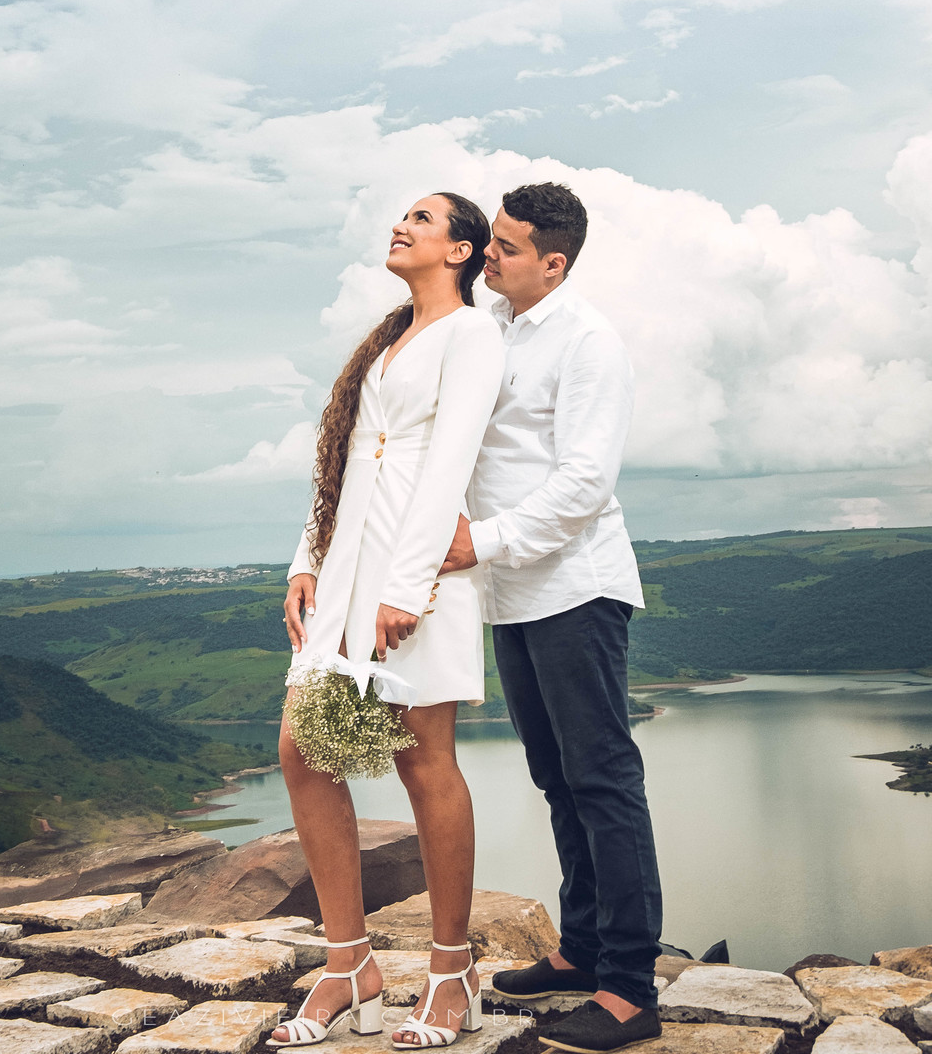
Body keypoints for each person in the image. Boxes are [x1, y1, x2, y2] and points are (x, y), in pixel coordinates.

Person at [273, 193, 506, 1052]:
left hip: (415, 573)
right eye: (400, 216)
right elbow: (343, 461)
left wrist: (407, 586)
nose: (400, 225)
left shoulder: (471, 336)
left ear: (463, 250)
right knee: (304, 750)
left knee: (420, 755)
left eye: (422, 218)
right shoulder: (387, 338)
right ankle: (348, 964)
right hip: (346, 568)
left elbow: (450, 463)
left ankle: (451, 973)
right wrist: (307, 558)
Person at [437, 181, 663, 1053]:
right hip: (515, 595)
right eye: (490, 239)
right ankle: (582, 951)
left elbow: (583, 484)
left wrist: (477, 543)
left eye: (505, 245)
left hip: (577, 587)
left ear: (553, 262)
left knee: (604, 781)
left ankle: (629, 991)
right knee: (555, 778)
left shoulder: (588, 342)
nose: (487, 254)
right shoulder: (492, 330)